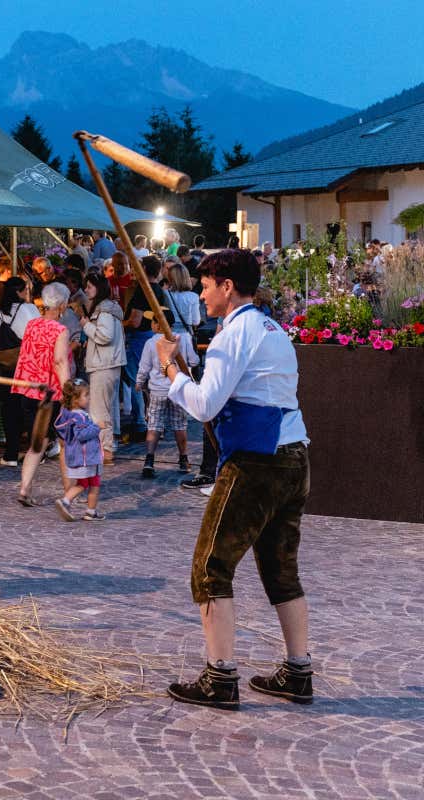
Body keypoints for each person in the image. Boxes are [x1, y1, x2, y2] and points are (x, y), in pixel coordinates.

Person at [159, 249, 313, 710]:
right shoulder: (270, 327)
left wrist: (170, 368)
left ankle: (219, 677)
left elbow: (204, 405)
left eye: (206, 284)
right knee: (281, 570)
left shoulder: (236, 333)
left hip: (257, 463)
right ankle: (298, 672)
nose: (200, 291)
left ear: (228, 287)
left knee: (211, 567)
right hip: (294, 456)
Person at [13, 283, 74, 506]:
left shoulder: (32, 325)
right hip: (52, 395)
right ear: (62, 305)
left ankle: (25, 489)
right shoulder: (60, 330)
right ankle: (69, 493)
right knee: (65, 442)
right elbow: (59, 362)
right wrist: (70, 392)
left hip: (28, 390)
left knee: (37, 442)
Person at [74, 272, 124, 465]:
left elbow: (105, 336)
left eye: (89, 286)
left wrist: (86, 325)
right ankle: (107, 447)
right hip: (108, 364)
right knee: (106, 408)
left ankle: (106, 450)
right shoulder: (107, 310)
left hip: (104, 364)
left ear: (99, 288)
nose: (86, 290)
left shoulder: (104, 312)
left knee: (99, 410)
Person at [136, 326, 199, 476]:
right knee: (179, 425)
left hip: (158, 390)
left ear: (157, 324)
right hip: (178, 388)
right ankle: (184, 459)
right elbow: (194, 361)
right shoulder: (183, 338)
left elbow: (144, 367)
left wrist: (139, 382)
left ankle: (149, 460)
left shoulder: (151, 342)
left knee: (154, 424)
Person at [0, 278, 39, 466]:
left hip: (5, 368)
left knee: (9, 410)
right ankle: (35, 452)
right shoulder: (30, 309)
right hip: (27, 366)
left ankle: (10, 454)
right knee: (29, 409)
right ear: (21, 291)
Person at [121, 256, 163, 439]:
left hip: (139, 339)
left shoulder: (142, 291)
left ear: (144, 268)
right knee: (150, 381)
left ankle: (139, 422)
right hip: (153, 336)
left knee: (136, 380)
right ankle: (155, 422)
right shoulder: (159, 290)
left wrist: (119, 323)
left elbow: (135, 321)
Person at [53, 379, 105, 522]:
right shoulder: (79, 416)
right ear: (75, 399)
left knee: (88, 483)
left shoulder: (70, 413)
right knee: (91, 484)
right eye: (86, 395)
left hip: (84, 457)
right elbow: (81, 435)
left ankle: (89, 510)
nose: (89, 398)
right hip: (86, 457)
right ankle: (68, 503)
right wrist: (97, 427)